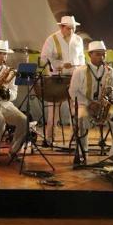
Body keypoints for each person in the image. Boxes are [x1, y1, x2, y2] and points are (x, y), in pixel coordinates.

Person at [39, 15, 85, 144]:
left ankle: (76, 138)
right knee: (53, 109)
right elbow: (43, 59)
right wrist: (58, 64)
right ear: (61, 27)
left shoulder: (78, 40)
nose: (71, 31)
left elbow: (82, 58)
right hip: (57, 79)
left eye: (73, 28)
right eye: (68, 28)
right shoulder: (52, 39)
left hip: (73, 77)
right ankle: (49, 138)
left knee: (75, 108)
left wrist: (80, 69)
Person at [68, 41, 113, 158]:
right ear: (90, 55)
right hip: (84, 105)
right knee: (81, 117)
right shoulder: (79, 71)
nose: (102, 57)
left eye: (103, 54)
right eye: (98, 54)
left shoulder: (110, 71)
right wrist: (89, 103)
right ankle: (82, 151)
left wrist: (107, 99)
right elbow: (73, 91)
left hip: (104, 105)